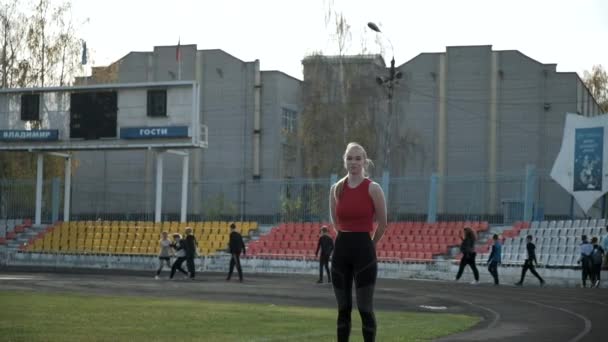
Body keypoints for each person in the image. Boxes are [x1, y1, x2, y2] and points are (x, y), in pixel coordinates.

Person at [329, 142, 387, 342]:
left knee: (365, 309)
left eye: (357, 158)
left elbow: (382, 224)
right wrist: (347, 237)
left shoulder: (373, 188)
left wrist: (369, 244)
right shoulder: (336, 189)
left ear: (364, 161)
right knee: (343, 309)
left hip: (364, 251)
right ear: (344, 161)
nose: (353, 162)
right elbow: (336, 224)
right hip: (341, 251)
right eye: (349, 158)